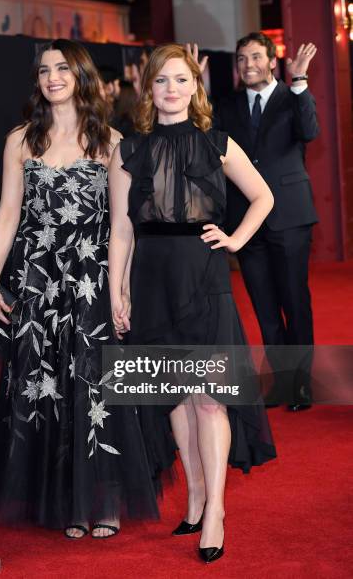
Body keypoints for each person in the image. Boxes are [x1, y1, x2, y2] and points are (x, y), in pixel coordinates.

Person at [0, 39, 174, 540]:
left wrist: (120, 287)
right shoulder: (21, 140)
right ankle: (65, 502)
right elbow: (7, 215)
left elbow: (122, 225)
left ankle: (103, 500)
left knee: (94, 387)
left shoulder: (110, 141)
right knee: (45, 387)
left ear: (80, 75)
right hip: (37, 281)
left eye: (62, 68)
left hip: (89, 280)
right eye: (44, 70)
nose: (52, 77)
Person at [108, 44, 276, 564]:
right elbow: (119, 230)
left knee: (209, 398)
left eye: (181, 80)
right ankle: (196, 496)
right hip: (151, 276)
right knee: (175, 397)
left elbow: (264, 196)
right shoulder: (129, 150)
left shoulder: (216, 143)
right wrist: (119, 289)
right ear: (149, 89)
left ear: (195, 87)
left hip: (202, 277)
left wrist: (235, 240)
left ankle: (217, 512)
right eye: (162, 81)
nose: (172, 89)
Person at [214, 32, 318, 411]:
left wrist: (301, 81)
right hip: (244, 219)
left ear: (272, 62)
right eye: (242, 59)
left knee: (295, 301)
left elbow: (310, 131)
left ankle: (302, 383)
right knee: (264, 306)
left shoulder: (292, 98)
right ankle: (282, 380)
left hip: (290, 216)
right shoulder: (226, 106)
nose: (248, 65)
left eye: (256, 57)